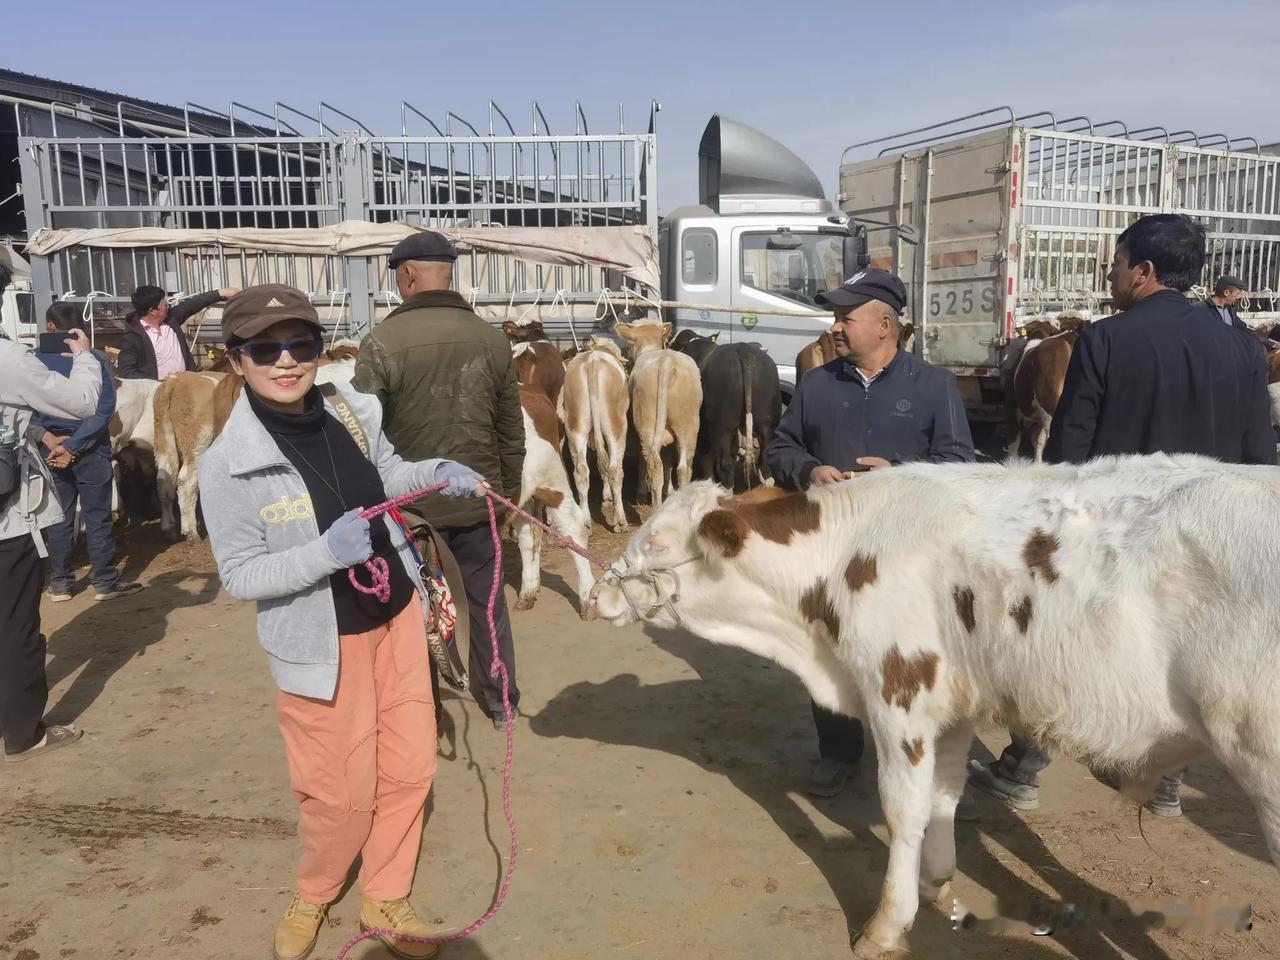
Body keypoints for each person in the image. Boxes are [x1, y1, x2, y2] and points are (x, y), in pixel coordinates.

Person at [199, 284, 484, 960]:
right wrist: (322, 554)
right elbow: (240, 574)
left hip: (396, 617)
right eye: (265, 349)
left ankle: (386, 893)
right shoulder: (227, 464)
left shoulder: (350, 411)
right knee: (337, 791)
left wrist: (432, 473)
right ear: (235, 359)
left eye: (301, 344)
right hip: (321, 644)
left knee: (411, 766)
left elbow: (385, 474)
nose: (287, 361)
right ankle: (317, 888)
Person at [969, 213, 1276, 818]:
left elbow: (1066, 458)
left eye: (1115, 262)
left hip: (1118, 535)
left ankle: (1022, 770)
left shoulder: (1107, 341)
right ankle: (1161, 784)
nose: (1109, 275)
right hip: (1203, 541)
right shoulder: (1242, 346)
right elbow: (1258, 457)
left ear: (1144, 271)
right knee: (1178, 656)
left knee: (1065, 648)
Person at [767, 267, 975, 799]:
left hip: (909, 554)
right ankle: (838, 749)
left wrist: (900, 474)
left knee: (921, 655)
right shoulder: (816, 385)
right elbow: (781, 449)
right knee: (828, 646)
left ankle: (940, 769)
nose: (835, 327)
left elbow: (958, 463)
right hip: (832, 550)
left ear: (885, 325)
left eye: (845, 317)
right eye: (835, 317)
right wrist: (809, 470)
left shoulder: (934, 386)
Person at [353, 232, 525, 730]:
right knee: (487, 603)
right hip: (479, 499)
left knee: (420, 610)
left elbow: (365, 434)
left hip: (413, 511)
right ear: (448, 272)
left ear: (407, 276)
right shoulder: (492, 339)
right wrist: (505, 492)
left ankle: (422, 710)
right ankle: (501, 702)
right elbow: (510, 429)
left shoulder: (382, 343)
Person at [0, 323, 101, 763]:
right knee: (16, 628)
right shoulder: (8, 358)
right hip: (6, 525)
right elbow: (81, 404)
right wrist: (84, 357)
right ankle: (24, 734)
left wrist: (36, 433)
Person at [34, 302, 142, 602]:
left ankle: (60, 584)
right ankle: (105, 582)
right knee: (97, 516)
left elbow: (27, 411)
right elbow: (104, 408)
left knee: (59, 517)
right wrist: (74, 445)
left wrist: (52, 441)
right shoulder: (94, 359)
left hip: (50, 448)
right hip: (91, 447)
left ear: (50, 326)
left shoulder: (33, 361)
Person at [116, 284, 239, 380]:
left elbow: (193, 304)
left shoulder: (170, 320)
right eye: (164, 304)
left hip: (187, 387)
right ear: (153, 311)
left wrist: (221, 293)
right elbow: (127, 372)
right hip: (159, 395)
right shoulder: (133, 338)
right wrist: (156, 385)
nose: (168, 305)